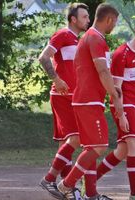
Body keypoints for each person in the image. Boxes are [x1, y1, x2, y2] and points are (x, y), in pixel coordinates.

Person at [56, 3, 123, 200]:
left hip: (88, 100)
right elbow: (102, 71)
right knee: (99, 146)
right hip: (88, 101)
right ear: (109, 19)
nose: (115, 26)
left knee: (92, 147)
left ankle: (89, 193)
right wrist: (115, 99)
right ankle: (66, 184)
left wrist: (111, 88)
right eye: (115, 22)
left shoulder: (93, 37)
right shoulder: (95, 38)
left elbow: (101, 73)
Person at [95, 20, 135, 200]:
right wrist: (121, 114)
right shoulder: (121, 54)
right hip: (122, 103)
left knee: (122, 151)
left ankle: (89, 180)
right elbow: (116, 91)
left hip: (134, 104)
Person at [38, 3, 90, 199]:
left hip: (74, 97)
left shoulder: (78, 41)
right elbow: (43, 58)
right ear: (73, 19)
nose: (88, 20)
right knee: (75, 139)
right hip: (62, 96)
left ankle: (67, 189)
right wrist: (56, 79)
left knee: (66, 143)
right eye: (84, 17)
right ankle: (50, 180)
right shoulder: (62, 35)